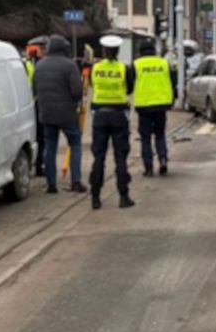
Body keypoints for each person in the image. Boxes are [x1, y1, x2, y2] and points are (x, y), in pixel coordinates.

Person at [33, 35, 84, 194]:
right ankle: (75, 182)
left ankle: (51, 184)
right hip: (67, 114)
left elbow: (34, 89)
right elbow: (77, 91)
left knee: (50, 147)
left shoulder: (39, 65)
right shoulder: (70, 66)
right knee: (75, 143)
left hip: (46, 113)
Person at [89, 35, 135, 210]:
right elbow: (130, 88)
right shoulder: (124, 68)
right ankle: (124, 197)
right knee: (120, 157)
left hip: (100, 115)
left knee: (99, 157)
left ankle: (95, 197)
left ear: (103, 50)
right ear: (117, 51)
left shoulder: (96, 68)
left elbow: (93, 85)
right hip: (118, 115)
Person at [133, 40, 176, 177]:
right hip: (161, 105)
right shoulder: (163, 63)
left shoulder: (136, 64)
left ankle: (148, 167)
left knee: (145, 137)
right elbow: (173, 81)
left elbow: (129, 84)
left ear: (140, 51)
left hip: (144, 106)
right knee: (160, 134)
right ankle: (163, 159)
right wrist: (172, 99)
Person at [25, 40, 45, 174]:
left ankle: (35, 165)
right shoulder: (35, 66)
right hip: (34, 104)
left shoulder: (25, 64)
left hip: (26, 105)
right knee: (40, 137)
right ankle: (38, 165)